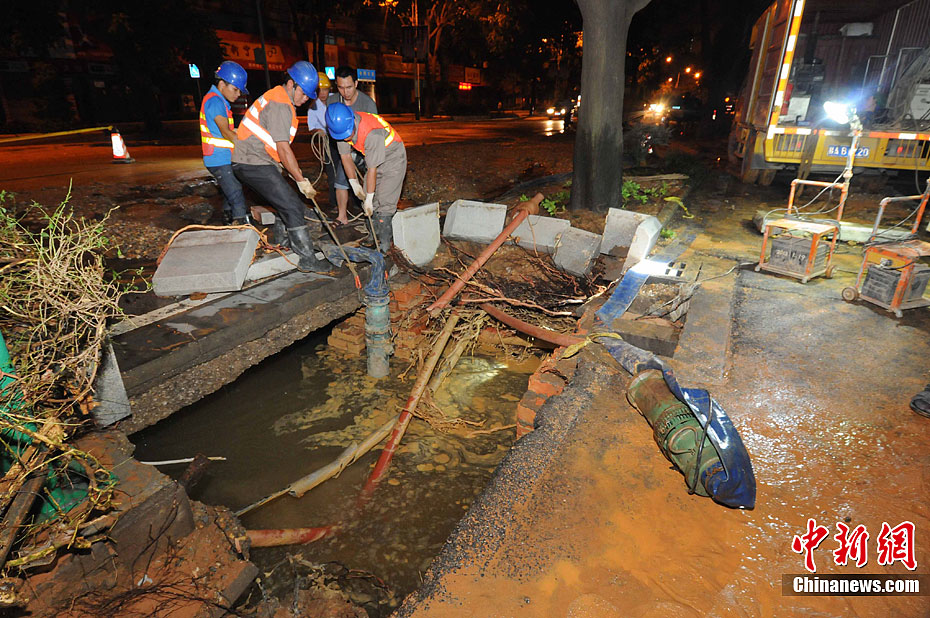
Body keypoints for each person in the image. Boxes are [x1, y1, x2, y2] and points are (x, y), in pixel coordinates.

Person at [232, 60, 330, 272]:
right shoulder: (281, 105)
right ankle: (307, 260)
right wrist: (301, 180)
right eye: (304, 94)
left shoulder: (278, 97)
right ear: (291, 84)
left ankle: (284, 246)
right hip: (253, 162)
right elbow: (284, 150)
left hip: (253, 161)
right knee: (293, 206)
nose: (305, 100)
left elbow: (277, 150)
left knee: (283, 201)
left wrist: (294, 174)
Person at [325, 102, 406, 253]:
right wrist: (353, 182)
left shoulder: (371, 133)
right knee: (368, 202)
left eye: (348, 134)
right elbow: (345, 157)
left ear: (352, 121)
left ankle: (385, 245)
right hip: (373, 157)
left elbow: (372, 169)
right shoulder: (341, 130)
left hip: (393, 157)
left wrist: (369, 197)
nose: (347, 138)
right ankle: (373, 236)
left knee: (384, 202)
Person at [200, 61, 251, 225]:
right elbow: (226, 133)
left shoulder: (219, 101)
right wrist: (249, 148)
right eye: (235, 89)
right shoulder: (215, 102)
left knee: (230, 191)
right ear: (222, 84)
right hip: (218, 158)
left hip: (221, 157)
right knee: (235, 192)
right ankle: (241, 225)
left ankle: (228, 219)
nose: (238, 94)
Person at [328, 66, 378, 225]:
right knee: (341, 178)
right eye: (341, 87)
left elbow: (375, 135)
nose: (345, 92)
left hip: (366, 148)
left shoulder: (368, 104)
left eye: (349, 87)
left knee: (374, 176)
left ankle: (374, 213)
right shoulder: (332, 102)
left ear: (356, 83)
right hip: (344, 147)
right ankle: (342, 216)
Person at [306, 71, 339, 208]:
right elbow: (311, 127)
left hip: (341, 139)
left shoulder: (336, 99)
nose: (323, 93)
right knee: (332, 173)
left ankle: (352, 201)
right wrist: (319, 131)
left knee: (347, 171)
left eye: (325, 90)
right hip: (328, 143)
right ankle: (334, 202)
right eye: (320, 90)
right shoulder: (313, 107)